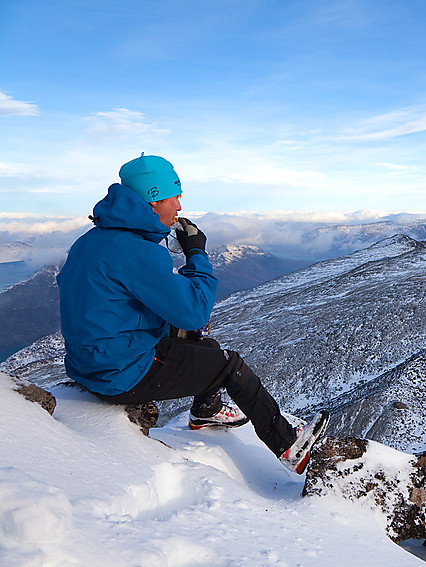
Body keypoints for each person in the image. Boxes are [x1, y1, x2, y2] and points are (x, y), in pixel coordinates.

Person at [57, 153, 327, 474]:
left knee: (203, 346)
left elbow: (124, 303)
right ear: (153, 199)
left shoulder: (95, 241)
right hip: (118, 373)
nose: (180, 207)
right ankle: (288, 445)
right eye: (175, 197)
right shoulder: (135, 252)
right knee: (229, 365)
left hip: (90, 363)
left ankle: (205, 411)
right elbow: (194, 312)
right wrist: (196, 253)